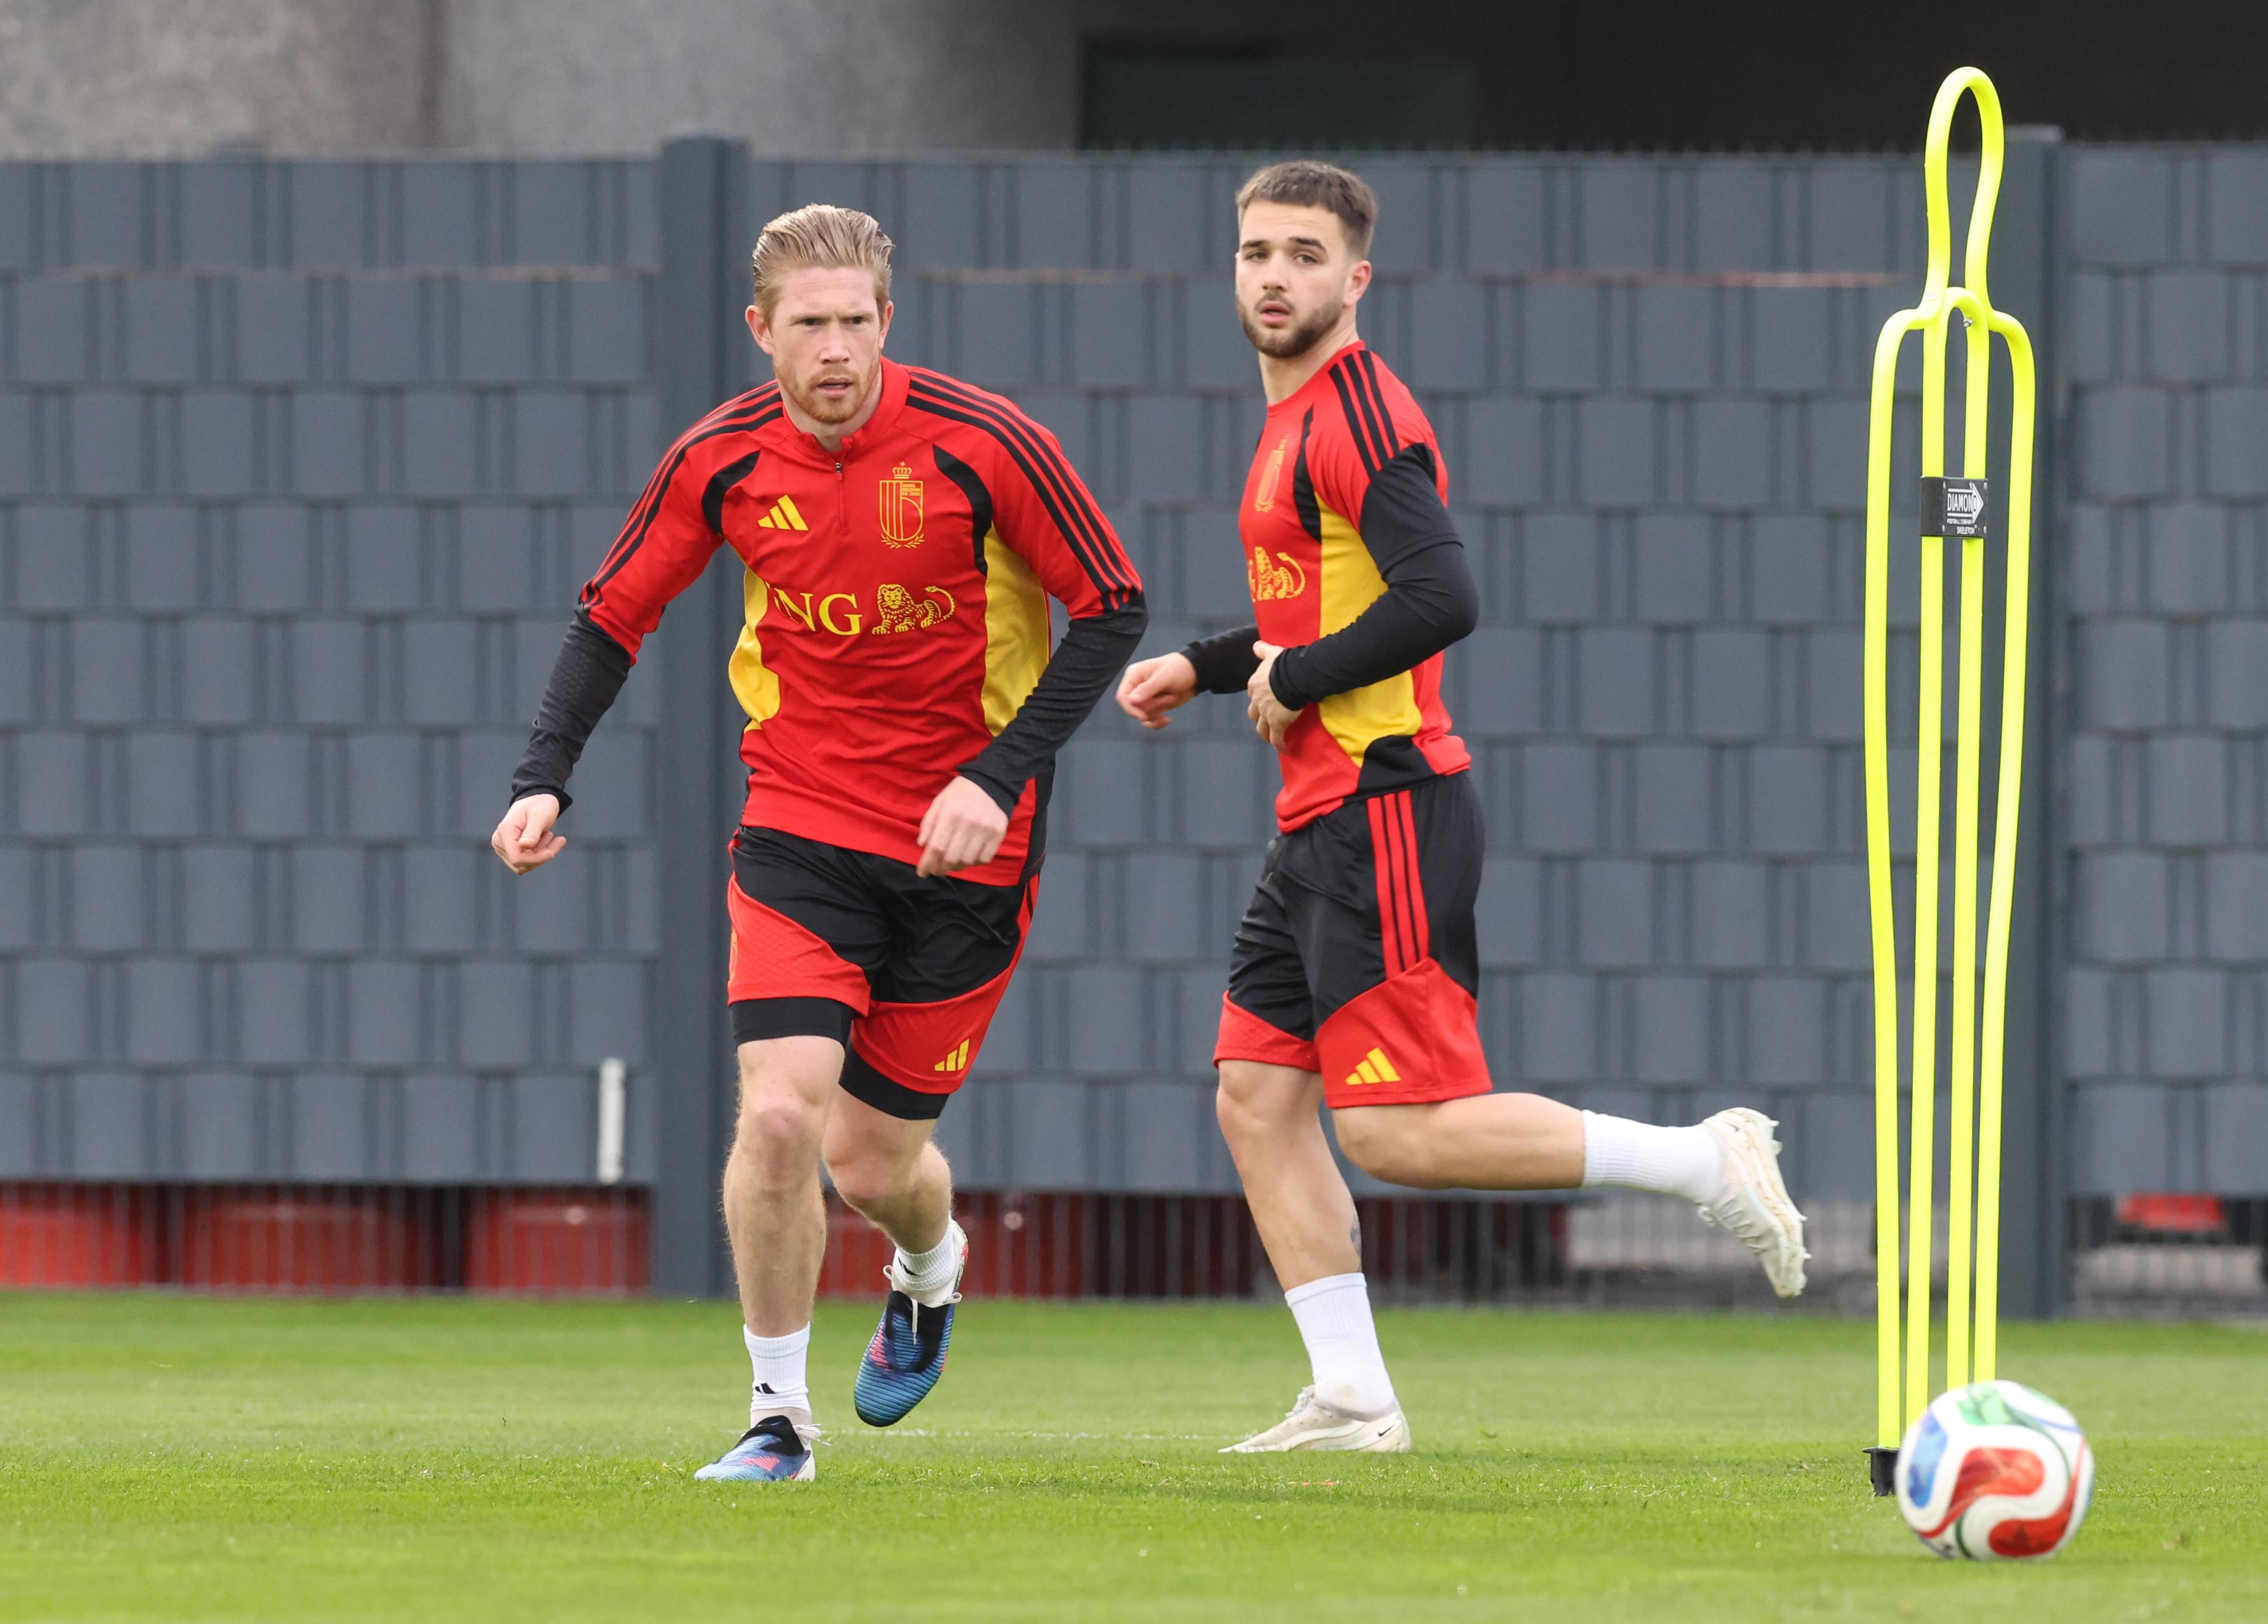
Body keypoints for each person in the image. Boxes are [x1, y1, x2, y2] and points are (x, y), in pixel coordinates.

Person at [1115, 162, 1805, 1454]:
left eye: (1306, 255)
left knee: (1396, 1132)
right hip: (1321, 812)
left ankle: (1705, 1162)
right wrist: (1212, 666)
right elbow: (1315, 604)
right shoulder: (1292, 413)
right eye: (1257, 251)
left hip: (1386, 807)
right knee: (1257, 1098)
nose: (1275, 274)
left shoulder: (1361, 417)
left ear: (1355, 279)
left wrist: (1296, 677)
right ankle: (1355, 1397)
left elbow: (1443, 595)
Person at [493, 204, 1144, 1481]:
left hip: (967, 852)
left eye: (857, 321)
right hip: (799, 819)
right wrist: (544, 779)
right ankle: (779, 1417)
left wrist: (997, 777)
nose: (836, 347)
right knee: (783, 1120)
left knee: (870, 1160)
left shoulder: (984, 441)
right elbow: (611, 614)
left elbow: (1112, 606)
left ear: (887, 323)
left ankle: (932, 1262)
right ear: (763, 331)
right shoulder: (719, 458)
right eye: (810, 325)